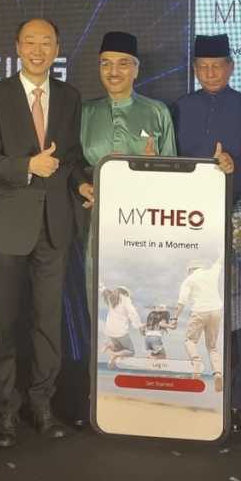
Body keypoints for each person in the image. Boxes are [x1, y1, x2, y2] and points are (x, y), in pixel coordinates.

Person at [0, 18, 88, 449]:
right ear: (17, 47)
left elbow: (72, 158)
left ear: (57, 48)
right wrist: (27, 166)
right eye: (30, 42)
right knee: (4, 322)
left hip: (54, 225)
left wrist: (82, 184)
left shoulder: (70, 97)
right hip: (8, 224)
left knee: (47, 322)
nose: (38, 50)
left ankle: (42, 404)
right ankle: (6, 408)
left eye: (46, 42)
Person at [172, 33, 241, 433]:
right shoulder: (179, 108)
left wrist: (234, 166)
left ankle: (238, 398)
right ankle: (195, 387)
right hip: (190, 218)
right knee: (197, 302)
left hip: (237, 213)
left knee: (240, 306)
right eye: (203, 67)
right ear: (194, 69)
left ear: (231, 67)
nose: (210, 73)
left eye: (217, 66)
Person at [78, 31, 176, 299]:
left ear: (136, 69)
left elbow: (173, 172)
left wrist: (154, 167)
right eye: (106, 63)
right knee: (99, 297)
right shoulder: (85, 113)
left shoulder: (157, 111)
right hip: (97, 222)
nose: (113, 71)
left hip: (145, 222)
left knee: (143, 295)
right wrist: (84, 186)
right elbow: (73, 164)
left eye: (123, 63)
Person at [172, 260, 224, 389]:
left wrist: (174, 318)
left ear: (190, 270)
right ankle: (217, 373)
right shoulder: (212, 272)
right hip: (216, 311)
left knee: (190, 340)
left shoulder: (188, 280)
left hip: (199, 311)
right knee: (212, 347)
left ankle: (196, 363)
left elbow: (181, 302)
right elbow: (219, 261)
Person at [100, 286, 142, 369]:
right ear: (124, 293)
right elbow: (133, 313)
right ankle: (114, 354)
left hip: (110, 331)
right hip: (120, 332)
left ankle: (109, 347)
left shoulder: (111, 299)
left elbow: (104, 290)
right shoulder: (125, 299)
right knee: (131, 351)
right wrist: (138, 325)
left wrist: (103, 288)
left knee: (119, 349)